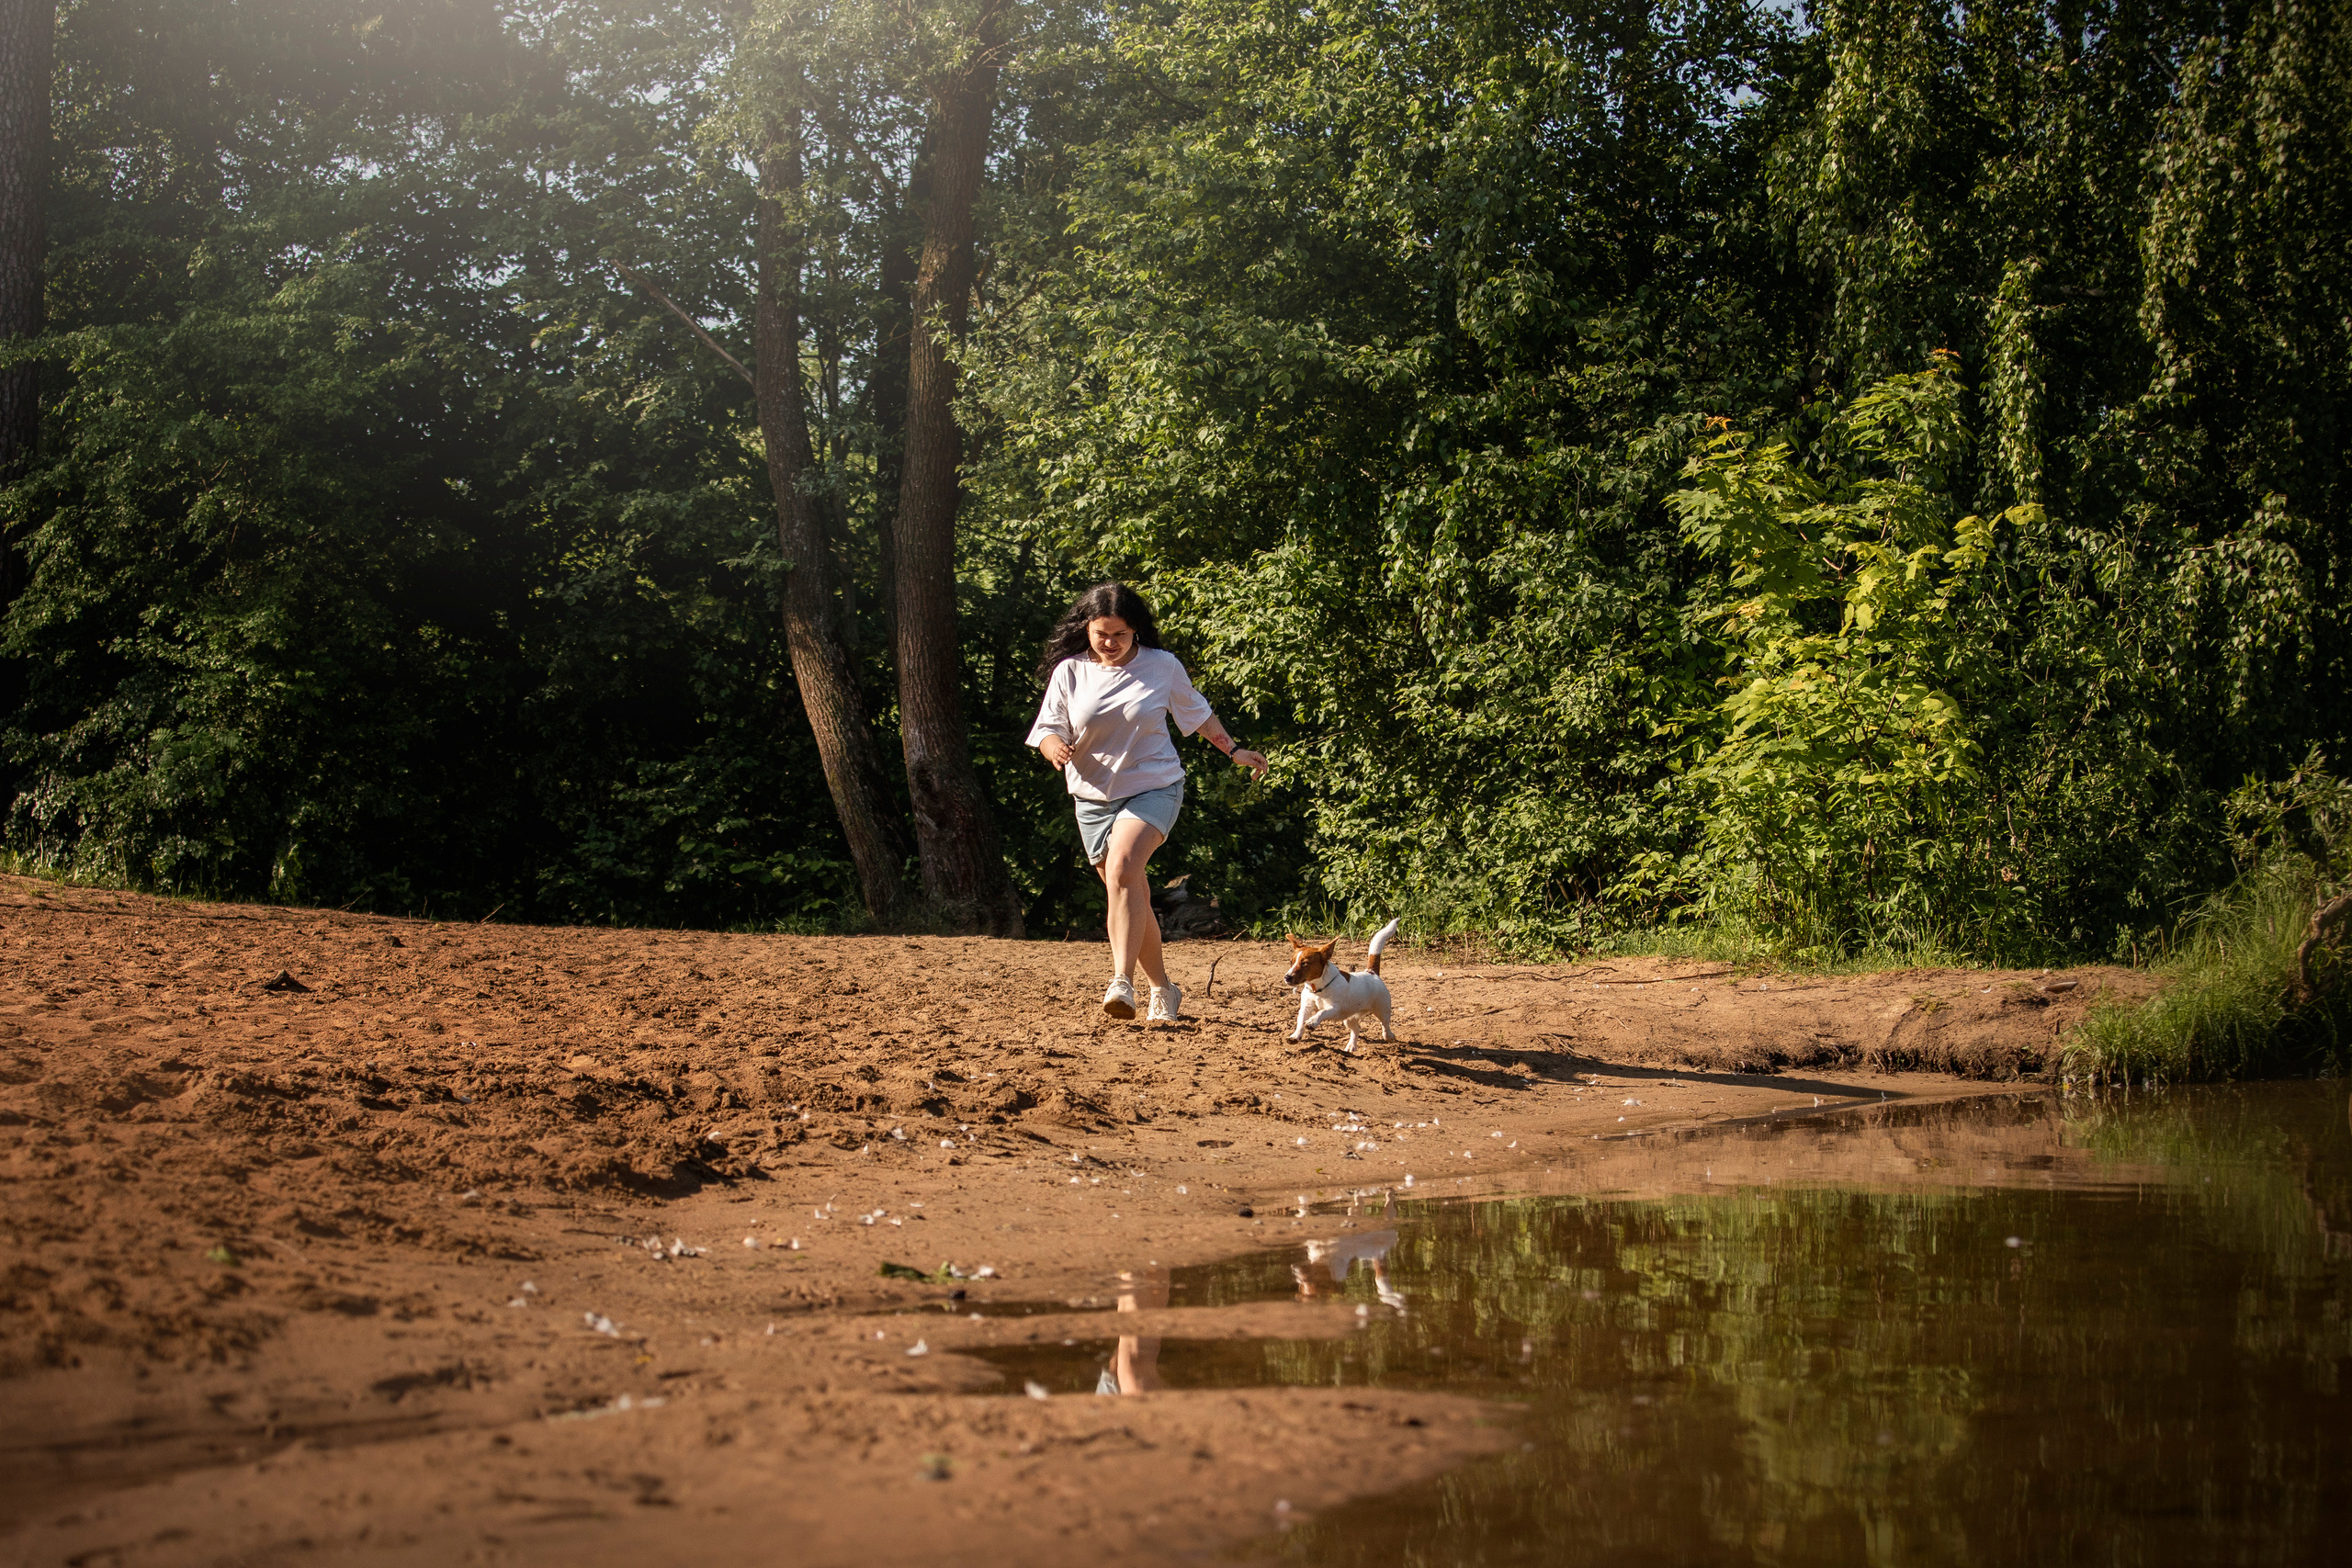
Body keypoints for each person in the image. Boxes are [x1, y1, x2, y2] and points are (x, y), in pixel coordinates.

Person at [1027, 582, 1268, 1021]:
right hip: (1092, 798)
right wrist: (1053, 748)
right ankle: (1164, 989)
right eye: (1101, 634)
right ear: (1087, 628)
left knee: (1122, 869)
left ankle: (1121, 982)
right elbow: (1048, 728)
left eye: (1119, 634)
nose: (1109, 643)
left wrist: (1234, 750)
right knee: (1129, 892)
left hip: (1154, 786)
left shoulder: (1162, 666)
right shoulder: (1070, 671)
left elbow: (1197, 714)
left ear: (1135, 629)